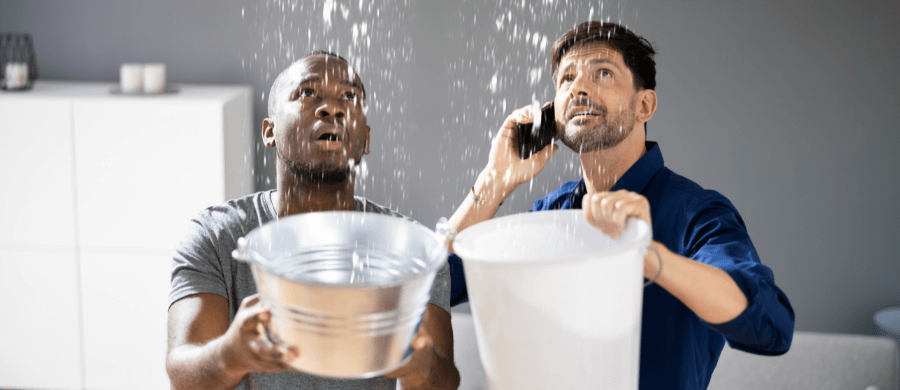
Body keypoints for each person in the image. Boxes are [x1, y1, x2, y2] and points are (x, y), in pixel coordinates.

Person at [446, 22, 795, 389]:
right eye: (566, 79)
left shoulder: (697, 214)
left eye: (602, 73)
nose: (578, 87)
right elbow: (437, 288)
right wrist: (493, 181)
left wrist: (646, 255)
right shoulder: (550, 215)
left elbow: (771, 328)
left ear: (644, 105)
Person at [166, 51, 460, 390]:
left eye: (349, 97)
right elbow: (182, 377)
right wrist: (230, 354)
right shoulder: (217, 236)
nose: (332, 108)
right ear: (269, 131)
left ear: (365, 138)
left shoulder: (410, 250)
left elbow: (442, 381)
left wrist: (419, 366)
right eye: (307, 93)